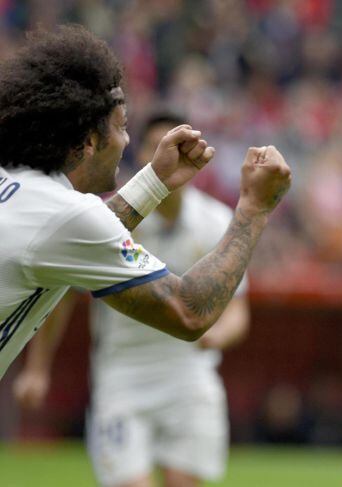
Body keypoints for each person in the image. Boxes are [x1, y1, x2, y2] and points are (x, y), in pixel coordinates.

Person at [0, 25, 291, 379]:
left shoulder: (26, 190)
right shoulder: (62, 216)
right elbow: (188, 311)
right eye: (122, 126)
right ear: (90, 140)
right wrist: (254, 208)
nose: (126, 141)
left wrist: (154, 181)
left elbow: (73, 232)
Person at [13, 113, 251, 487]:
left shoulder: (215, 221)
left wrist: (217, 335)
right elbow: (64, 296)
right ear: (143, 153)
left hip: (188, 375)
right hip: (121, 373)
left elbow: (237, 309)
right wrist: (38, 368)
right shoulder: (109, 218)